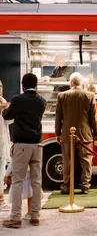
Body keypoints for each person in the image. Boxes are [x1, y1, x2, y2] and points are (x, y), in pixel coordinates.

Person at [2, 73, 46, 228]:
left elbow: (8, 115)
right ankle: (35, 216)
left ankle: (15, 217)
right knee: (36, 181)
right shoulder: (42, 101)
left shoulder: (17, 99)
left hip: (22, 145)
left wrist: (4, 109)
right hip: (37, 145)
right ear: (36, 85)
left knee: (17, 181)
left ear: (23, 85)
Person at [55, 72, 97, 195]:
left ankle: (66, 186)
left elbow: (58, 116)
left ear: (71, 83)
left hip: (67, 134)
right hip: (85, 133)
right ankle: (85, 186)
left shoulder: (62, 95)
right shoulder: (90, 95)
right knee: (86, 161)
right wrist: (96, 134)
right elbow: (93, 118)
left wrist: (58, 133)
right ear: (81, 84)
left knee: (67, 161)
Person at [0, 79, 11, 212]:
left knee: (2, 170)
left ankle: (1, 199)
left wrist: (7, 110)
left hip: (2, 140)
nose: (0, 89)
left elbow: (9, 121)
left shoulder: (3, 100)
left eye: (1, 86)